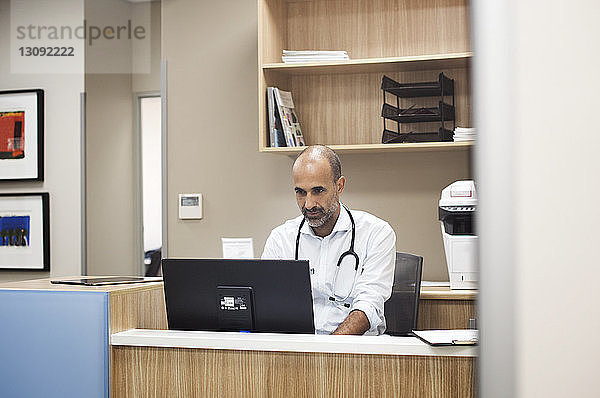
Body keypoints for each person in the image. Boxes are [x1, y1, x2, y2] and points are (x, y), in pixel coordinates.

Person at [262, 145, 396, 335]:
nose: (309, 204)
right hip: (298, 349)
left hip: (354, 351)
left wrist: (327, 351)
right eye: (300, 192)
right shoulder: (281, 239)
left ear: (339, 186)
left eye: (318, 191)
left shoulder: (376, 234)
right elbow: (267, 303)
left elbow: (368, 306)